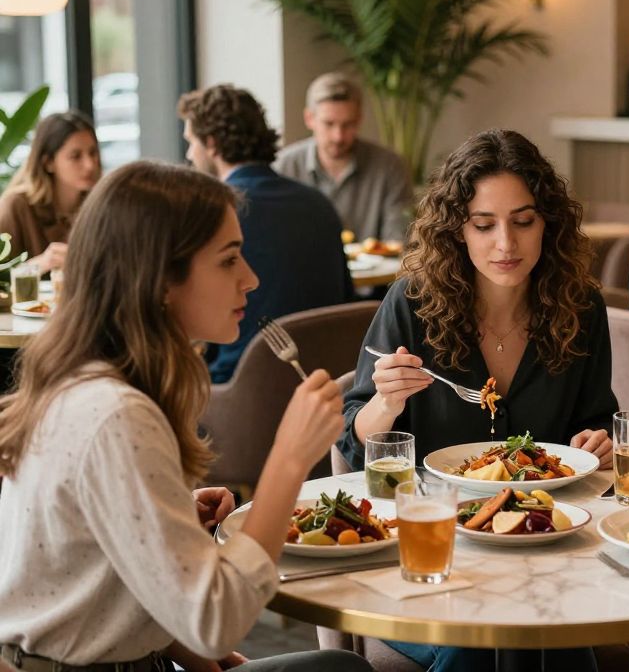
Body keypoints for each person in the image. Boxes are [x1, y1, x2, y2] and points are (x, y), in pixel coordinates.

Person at [0, 162, 370, 672]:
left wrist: (165, 514)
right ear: (160, 280)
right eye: (229, 260)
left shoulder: (87, 382)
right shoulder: (115, 416)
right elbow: (215, 621)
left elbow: (100, 570)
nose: (251, 278)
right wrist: (288, 460)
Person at [340, 129, 629, 672]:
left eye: (523, 221)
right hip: (437, 553)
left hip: (547, 543)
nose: (506, 243)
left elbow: (596, 422)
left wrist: (600, 442)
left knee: (545, 629)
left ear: (549, 222)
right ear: (457, 228)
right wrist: (386, 402)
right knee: (485, 638)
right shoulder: (413, 302)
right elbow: (356, 434)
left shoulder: (580, 306)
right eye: (484, 224)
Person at [178, 84, 355, 383]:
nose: (189, 154)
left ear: (210, 144)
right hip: (329, 381)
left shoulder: (214, 215)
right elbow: (345, 301)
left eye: (191, 142)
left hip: (239, 389)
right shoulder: (319, 204)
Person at [274, 72, 413, 243]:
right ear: (309, 118)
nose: (338, 136)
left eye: (348, 125)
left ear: (359, 120)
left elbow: (399, 241)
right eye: (329, 124)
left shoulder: (390, 166)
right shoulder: (283, 166)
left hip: (378, 270)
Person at [0, 110, 101, 273]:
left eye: (93, 152)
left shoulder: (99, 205)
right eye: (76, 156)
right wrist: (41, 264)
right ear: (48, 163)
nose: (90, 165)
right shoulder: (16, 205)